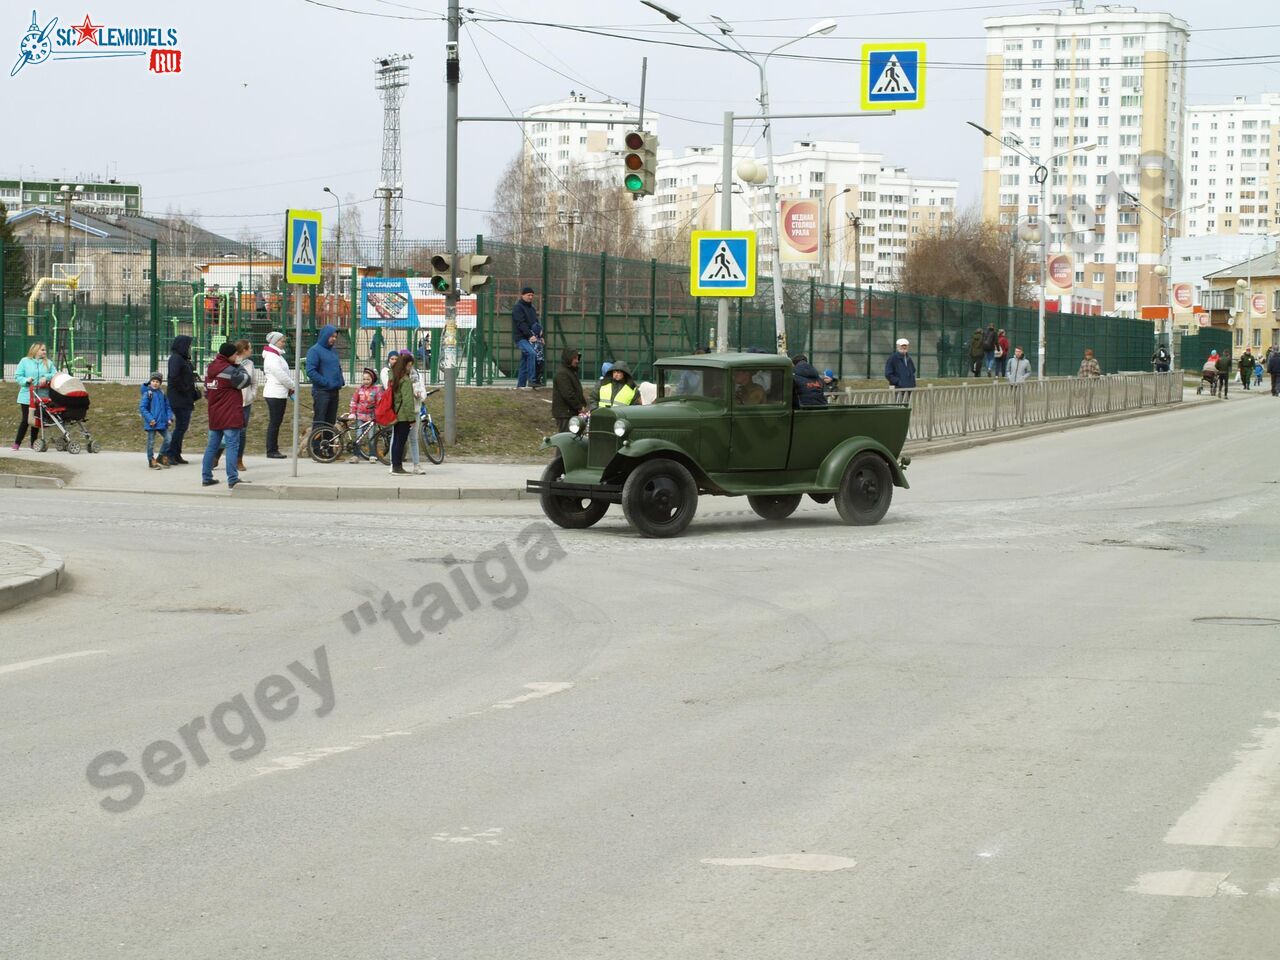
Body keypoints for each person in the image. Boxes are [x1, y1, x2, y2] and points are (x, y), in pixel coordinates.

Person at [201, 342, 251, 488]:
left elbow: (206, 392)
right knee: (232, 446)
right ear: (229, 355)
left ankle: (206, 476)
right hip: (230, 414)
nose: (237, 356)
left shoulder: (210, 368)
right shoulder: (230, 371)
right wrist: (239, 366)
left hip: (215, 414)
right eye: (235, 354)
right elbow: (245, 380)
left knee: (212, 447)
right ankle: (232, 479)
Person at [12, 342, 57, 451]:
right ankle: (17, 443)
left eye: (45, 350)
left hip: (41, 396)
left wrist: (46, 377)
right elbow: (18, 376)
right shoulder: (24, 361)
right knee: (26, 419)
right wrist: (26, 380)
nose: (45, 352)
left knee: (36, 420)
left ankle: (33, 443)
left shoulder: (48, 363)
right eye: (42, 350)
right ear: (35, 350)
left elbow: (55, 374)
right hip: (26, 396)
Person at [165, 335, 200, 464]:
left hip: (185, 397)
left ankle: (176, 453)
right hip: (179, 398)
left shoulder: (183, 359)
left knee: (182, 427)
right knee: (181, 427)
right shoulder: (176, 359)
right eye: (188, 345)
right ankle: (171, 454)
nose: (190, 348)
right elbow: (174, 377)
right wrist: (185, 388)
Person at [261, 331, 295, 459]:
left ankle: (273, 448)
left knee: (276, 422)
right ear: (275, 342)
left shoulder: (276, 355)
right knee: (275, 422)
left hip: (280, 392)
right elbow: (281, 375)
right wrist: (292, 385)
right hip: (275, 393)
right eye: (282, 341)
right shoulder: (272, 357)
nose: (284, 343)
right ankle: (271, 450)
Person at [305, 324, 345, 429]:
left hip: (334, 391)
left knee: (330, 422)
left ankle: (328, 444)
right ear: (325, 336)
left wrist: (340, 381)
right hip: (322, 392)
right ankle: (316, 445)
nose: (334, 339)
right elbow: (310, 371)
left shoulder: (333, 351)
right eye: (332, 336)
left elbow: (337, 367)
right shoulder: (314, 351)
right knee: (320, 421)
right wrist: (325, 382)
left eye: (335, 337)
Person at [387, 353, 417, 475]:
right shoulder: (405, 380)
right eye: (409, 365)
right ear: (405, 365)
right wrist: (412, 418)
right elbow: (408, 401)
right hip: (404, 415)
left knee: (396, 441)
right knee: (400, 441)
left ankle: (395, 465)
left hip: (396, 413)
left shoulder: (393, 376)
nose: (410, 368)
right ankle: (397, 467)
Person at [346, 367, 383, 463]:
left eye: (368, 379)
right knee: (358, 436)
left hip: (371, 417)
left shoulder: (377, 390)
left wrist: (379, 413)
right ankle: (356, 455)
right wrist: (352, 413)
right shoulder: (359, 390)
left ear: (373, 379)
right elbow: (354, 401)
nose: (365, 381)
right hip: (360, 417)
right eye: (364, 379)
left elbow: (379, 403)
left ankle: (372, 455)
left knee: (371, 436)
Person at [139, 373, 174, 469]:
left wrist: (169, 418)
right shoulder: (148, 394)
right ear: (150, 382)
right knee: (151, 443)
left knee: (169, 438)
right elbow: (143, 408)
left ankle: (161, 456)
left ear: (160, 383)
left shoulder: (162, 393)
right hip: (152, 423)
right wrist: (150, 419)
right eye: (153, 381)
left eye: (157, 381)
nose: (155, 383)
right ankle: (151, 460)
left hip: (162, 422)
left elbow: (168, 407)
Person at [551, 347, 587, 432]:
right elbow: (568, 393)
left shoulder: (570, 372)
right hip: (565, 413)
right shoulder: (562, 373)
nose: (577, 360)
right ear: (568, 358)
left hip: (570, 412)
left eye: (577, 358)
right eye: (574, 358)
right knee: (566, 439)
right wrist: (579, 406)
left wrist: (583, 404)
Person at [512, 286, 540, 389]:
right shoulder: (517, 308)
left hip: (530, 337)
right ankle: (532, 380)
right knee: (531, 353)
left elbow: (536, 323)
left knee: (525, 360)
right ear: (522, 295)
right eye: (528, 295)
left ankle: (521, 385)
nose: (531, 297)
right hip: (521, 338)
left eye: (532, 295)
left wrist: (541, 335)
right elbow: (520, 323)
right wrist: (530, 335)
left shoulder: (532, 309)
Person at [531, 318, 546, 387]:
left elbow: (542, 344)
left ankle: (538, 381)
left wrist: (542, 341)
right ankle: (535, 381)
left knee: (540, 370)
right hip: (537, 358)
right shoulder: (534, 339)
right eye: (541, 330)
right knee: (537, 370)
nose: (542, 332)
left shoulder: (540, 338)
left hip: (540, 358)